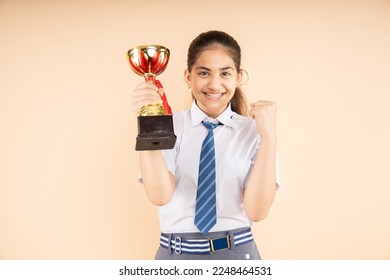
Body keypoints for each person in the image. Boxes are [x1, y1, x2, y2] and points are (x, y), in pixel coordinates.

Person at [131, 30, 280, 260]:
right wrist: (149, 122)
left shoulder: (255, 132)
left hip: (237, 257)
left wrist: (269, 138)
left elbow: (257, 211)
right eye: (203, 72)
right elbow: (160, 195)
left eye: (225, 73)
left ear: (238, 77)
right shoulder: (169, 125)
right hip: (176, 258)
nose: (214, 84)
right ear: (188, 76)